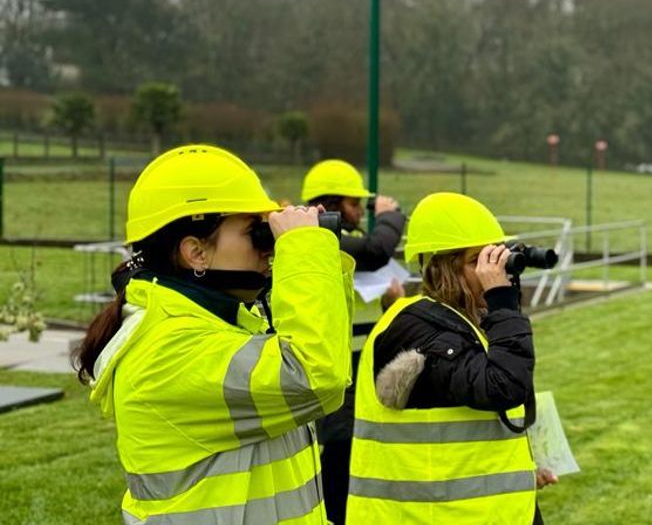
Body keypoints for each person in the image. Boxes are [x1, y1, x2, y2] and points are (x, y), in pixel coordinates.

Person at [73, 144, 355, 524]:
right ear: (196, 252)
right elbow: (316, 376)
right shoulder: (166, 351)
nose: (267, 246)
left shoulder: (219, 325)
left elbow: (327, 356)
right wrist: (304, 251)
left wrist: (319, 258)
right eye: (254, 230)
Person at [346, 192, 555, 525]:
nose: (492, 272)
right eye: (478, 261)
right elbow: (501, 387)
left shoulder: (467, 322)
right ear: (442, 269)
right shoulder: (417, 329)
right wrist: (502, 302)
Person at [301, 158, 407, 524]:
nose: (360, 211)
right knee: (341, 453)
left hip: (360, 369)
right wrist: (392, 216)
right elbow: (378, 251)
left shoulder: (343, 242)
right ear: (328, 204)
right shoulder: (321, 240)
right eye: (353, 203)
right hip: (338, 374)